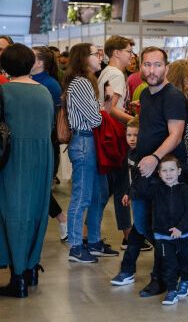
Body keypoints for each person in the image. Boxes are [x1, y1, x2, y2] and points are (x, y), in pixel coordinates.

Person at [0, 44, 55, 298]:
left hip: (14, 160)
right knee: (35, 212)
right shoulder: (44, 91)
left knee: (13, 213)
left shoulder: (4, 91)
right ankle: (31, 268)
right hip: (42, 159)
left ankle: (17, 277)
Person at [133, 46, 188, 298]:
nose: (151, 70)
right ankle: (173, 268)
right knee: (145, 225)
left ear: (166, 67)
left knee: (161, 227)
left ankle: (162, 278)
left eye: (157, 65)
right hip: (146, 171)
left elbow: (176, 135)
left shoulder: (173, 96)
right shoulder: (145, 94)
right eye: (147, 64)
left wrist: (155, 158)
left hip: (165, 173)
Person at [63, 43, 113, 263]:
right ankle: (76, 246)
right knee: (83, 197)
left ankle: (92, 241)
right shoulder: (82, 83)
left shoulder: (84, 82)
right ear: (83, 58)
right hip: (84, 143)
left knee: (96, 194)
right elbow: (94, 119)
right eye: (96, 54)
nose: (100, 57)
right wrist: (108, 103)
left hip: (87, 142)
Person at [137, 155, 188, 306]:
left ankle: (185, 280)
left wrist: (180, 228)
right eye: (164, 171)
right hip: (163, 236)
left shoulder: (186, 190)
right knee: (168, 264)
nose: (168, 174)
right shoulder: (156, 190)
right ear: (159, 173)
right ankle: (171, 290)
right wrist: (143, 173)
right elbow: (142, 190)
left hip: (185, 235)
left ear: (179, 171)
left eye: (172, 170)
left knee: (185, 262)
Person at [99, 35, 136, 250]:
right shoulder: (116, 74)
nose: (131, 55)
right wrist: (135, 121)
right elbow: (110, 109)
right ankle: (128, 236)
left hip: (109, 136)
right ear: (116, 53)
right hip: (115, 136)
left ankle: (128, 235)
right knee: (119, 185)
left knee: (115, 185)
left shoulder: (107, 72)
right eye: (128, 51)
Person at [110, 117, 154, 287]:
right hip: (137, 197)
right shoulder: (130, 153)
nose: (132, 139)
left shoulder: (144, 154)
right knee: (138, 233)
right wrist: (129, 192)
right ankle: (127, 270)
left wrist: (134, 193)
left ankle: (170, 263)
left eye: (136, 135)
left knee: (144, 231)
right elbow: (135, 178)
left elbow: (143, 179)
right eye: (129, 135)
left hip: (145, 198)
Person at [30, 46, 68, 240]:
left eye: (32, 56)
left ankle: (61, 217)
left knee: (40, 186)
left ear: (41, 63)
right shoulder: (26, 80)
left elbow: (50, 119)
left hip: (46, 143)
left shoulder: (50, 84)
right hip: (31, 143)